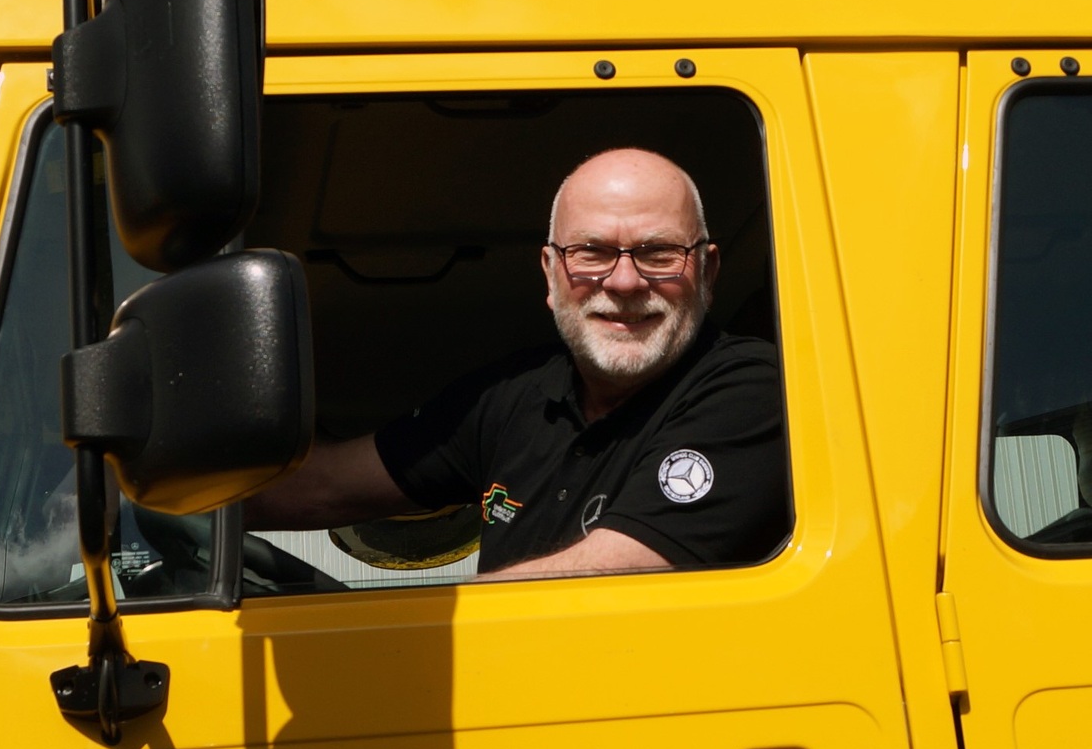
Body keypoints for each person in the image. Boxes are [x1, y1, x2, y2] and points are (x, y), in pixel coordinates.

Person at [247, 147, 787, 578]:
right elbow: (320, 491)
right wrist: (177, 500)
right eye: (592, 252)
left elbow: (611, 576)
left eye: (659, 253)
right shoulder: (515, 394)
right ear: (551, 275)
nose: (624, 281)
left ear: (709, 274)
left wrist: (387, 643)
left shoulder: (754, 389)